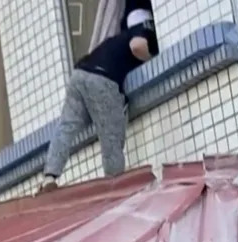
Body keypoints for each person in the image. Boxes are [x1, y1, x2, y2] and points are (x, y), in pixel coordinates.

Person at [41, 17, 159, 191]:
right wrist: (152, 58)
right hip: (103, 79)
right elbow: (137, 46)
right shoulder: (145, 29)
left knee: (66, 125)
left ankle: (49, 176)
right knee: (111, 136)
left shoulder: (117, 39)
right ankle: (115, 186)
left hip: (79, 73)